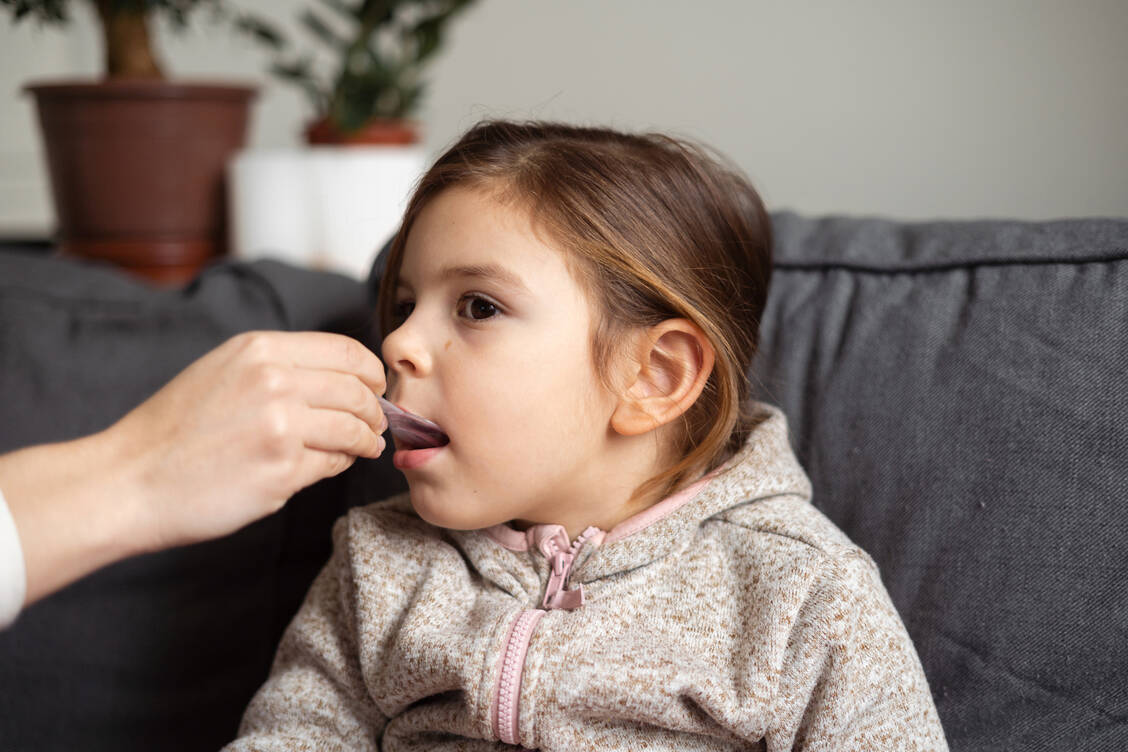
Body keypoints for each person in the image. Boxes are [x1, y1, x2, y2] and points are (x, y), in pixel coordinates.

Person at [223, 120, 950, 750]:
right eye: (406, 304)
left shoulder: (801, 593)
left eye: (476, 306)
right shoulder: (375, 566)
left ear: (654, 377)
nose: (400, 344)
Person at [0, 330, 389, 628]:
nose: (398, 341)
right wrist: (141, 468)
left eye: (456, 307)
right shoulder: (362, 561)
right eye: (403, 309)